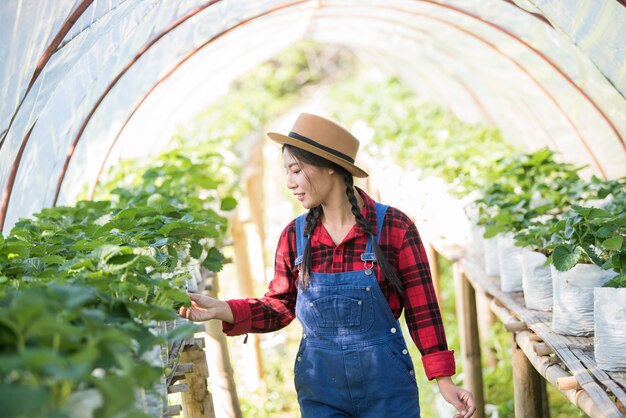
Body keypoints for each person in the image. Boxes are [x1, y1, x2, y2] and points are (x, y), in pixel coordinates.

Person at [178, 113, 476, 418]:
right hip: (322, 391)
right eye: (286, 172)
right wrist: (223, 309)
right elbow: (280, 306)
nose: (289, 183)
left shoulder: (394, 228)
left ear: (330, 167)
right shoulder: (295, 237)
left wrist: (444, 379)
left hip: (388, 391)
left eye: (295, 170)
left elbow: (422, 309)